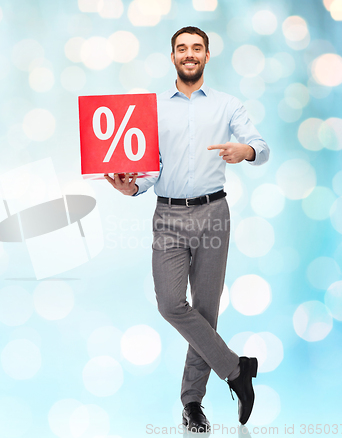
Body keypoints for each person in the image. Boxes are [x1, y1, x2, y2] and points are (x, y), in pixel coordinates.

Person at [104, 26, 270, 432]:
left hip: (214, 212)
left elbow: (261, 147)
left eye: (197, 48)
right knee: (170, 303)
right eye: (182, 48)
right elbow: (148, 165)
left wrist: (244, 150)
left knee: (206, 312)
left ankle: (192, 403)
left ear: (207, 56)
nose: (189, 54)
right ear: (173, 56)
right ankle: (236, 369)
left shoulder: (228, 105)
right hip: (169, 216)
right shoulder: (153, 108)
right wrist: (132, 186)